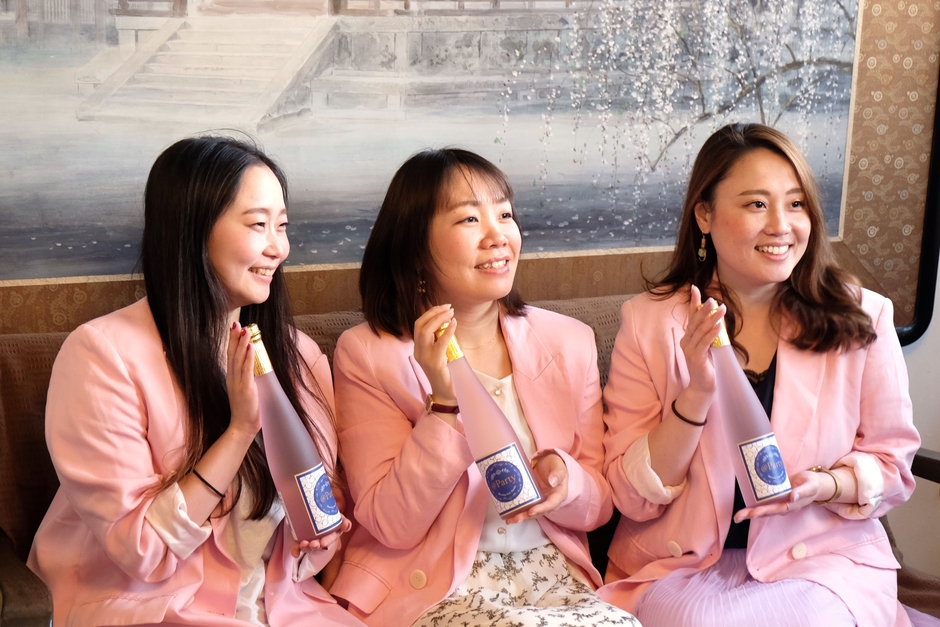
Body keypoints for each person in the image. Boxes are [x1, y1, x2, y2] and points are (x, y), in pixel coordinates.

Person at [598, 123, 928, 626]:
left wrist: (826, 485)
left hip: (822, 563)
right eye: (756, 204)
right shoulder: (648, 322)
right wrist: (695, 395)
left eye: (796, 204)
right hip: (682, 567)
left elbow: (893, 464)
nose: (781, 225)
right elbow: (629, 495)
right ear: (704, 214)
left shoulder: (864, 317)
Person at [28, 136, 361, 627]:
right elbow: (142, 551)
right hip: (148, 607)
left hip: (280, 608)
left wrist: (314, 536)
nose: (279, 247)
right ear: (192, 230)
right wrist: (239, 431)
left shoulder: (298, 356)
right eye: (258, 225)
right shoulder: (101, 356)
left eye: (283, 225)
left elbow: (318, 521)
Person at [327, 148, 640, 627]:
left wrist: (566, 480)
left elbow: (598, 506)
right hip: (431, 585)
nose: (498, 236)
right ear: (414, 246)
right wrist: (443, 404)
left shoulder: (569, 341)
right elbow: (391, 523)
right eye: (470, 219)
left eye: (505, 214)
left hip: (553, 580)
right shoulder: (368, 354)